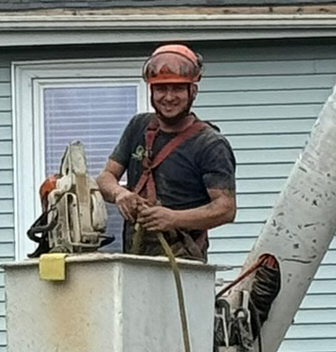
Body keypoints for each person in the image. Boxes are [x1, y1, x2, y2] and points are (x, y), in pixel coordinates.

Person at [97, 43, 236, 260]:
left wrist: (173, 218)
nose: (169, 97)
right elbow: (106, 178)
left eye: (178, 88)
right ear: (152, 91)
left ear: (193, 91)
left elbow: (226, 209)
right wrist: (120, 194)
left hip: (183, 266)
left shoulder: (210, 144)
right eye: (161, 89)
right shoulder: (138, 127)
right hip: (136, 259)